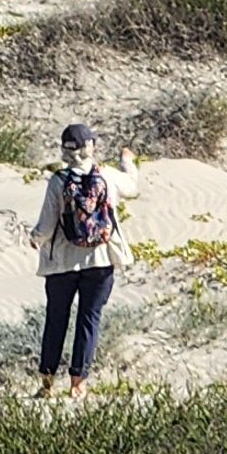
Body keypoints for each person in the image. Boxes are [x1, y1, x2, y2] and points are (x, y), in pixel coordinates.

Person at [28, 123, 139, 397]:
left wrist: (35, 238)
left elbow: (46, 226)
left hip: (62, 263)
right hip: (100, 260)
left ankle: (47, 383)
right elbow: (133, 188)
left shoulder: (58, 180)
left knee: (56, 319)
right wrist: (127, 161)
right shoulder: (108, 176)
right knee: (89, 319)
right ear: (90, 147)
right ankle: (78, 383)